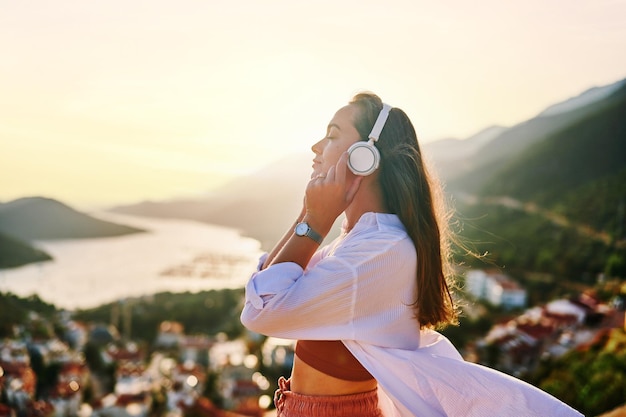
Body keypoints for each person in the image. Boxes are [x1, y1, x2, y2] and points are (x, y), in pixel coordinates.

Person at [240, 92, 582, 417]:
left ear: (365, 155)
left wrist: (316, 219)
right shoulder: (360, 240)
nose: (316, 147)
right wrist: (307, 213)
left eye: (331, 135)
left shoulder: (380, 250)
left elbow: (260, 312)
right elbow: (267, 283)